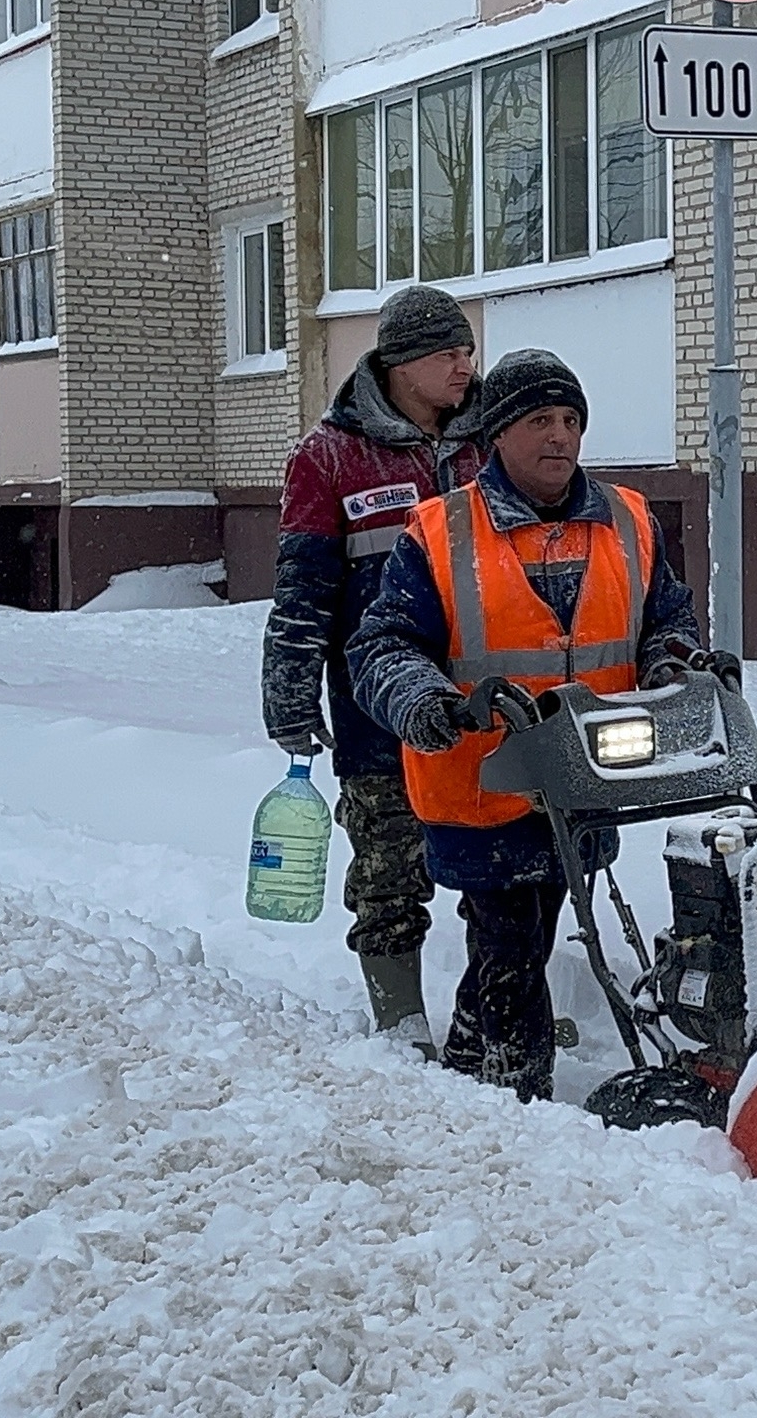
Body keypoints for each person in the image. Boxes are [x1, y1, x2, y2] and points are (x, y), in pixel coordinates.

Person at [352, 349, 714, 1101]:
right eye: (540, 420)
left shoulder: (628, 518)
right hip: (482, 780)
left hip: (586, 777)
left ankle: (464, 1062)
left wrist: (673, 661)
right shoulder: (441, 532)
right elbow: (382, 645)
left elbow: (664, 616)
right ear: (496, 437)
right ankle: (520, 1102)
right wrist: (431, 704)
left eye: (571, 420)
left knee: (528, 927)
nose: (560, 437)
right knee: (512, 932)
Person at [261, 285, 482, 1056]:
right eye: (449, 351)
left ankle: (503, 999)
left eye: (468, 350)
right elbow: (303, 593)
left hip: (491, 700)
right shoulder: (329, 459)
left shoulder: (491, 442)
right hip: (378, 709)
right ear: (401, 361)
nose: (466, 364)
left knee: (509, 866)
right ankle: (402, 1018)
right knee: (390, 864)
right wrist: (289, 690)